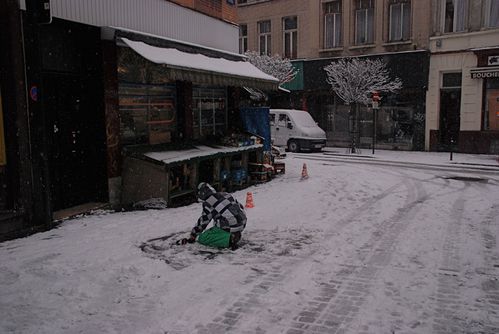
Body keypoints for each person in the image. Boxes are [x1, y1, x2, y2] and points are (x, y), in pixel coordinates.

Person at [179, 182, 247, 250]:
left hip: (231, 227)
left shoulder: (209, 203)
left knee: (203, 238)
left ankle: (230, 239)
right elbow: (240, 207)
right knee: (219, 223)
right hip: (242, 223)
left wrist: (194, 234)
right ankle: (233, 233)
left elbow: (204, 221)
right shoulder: (226, 194)